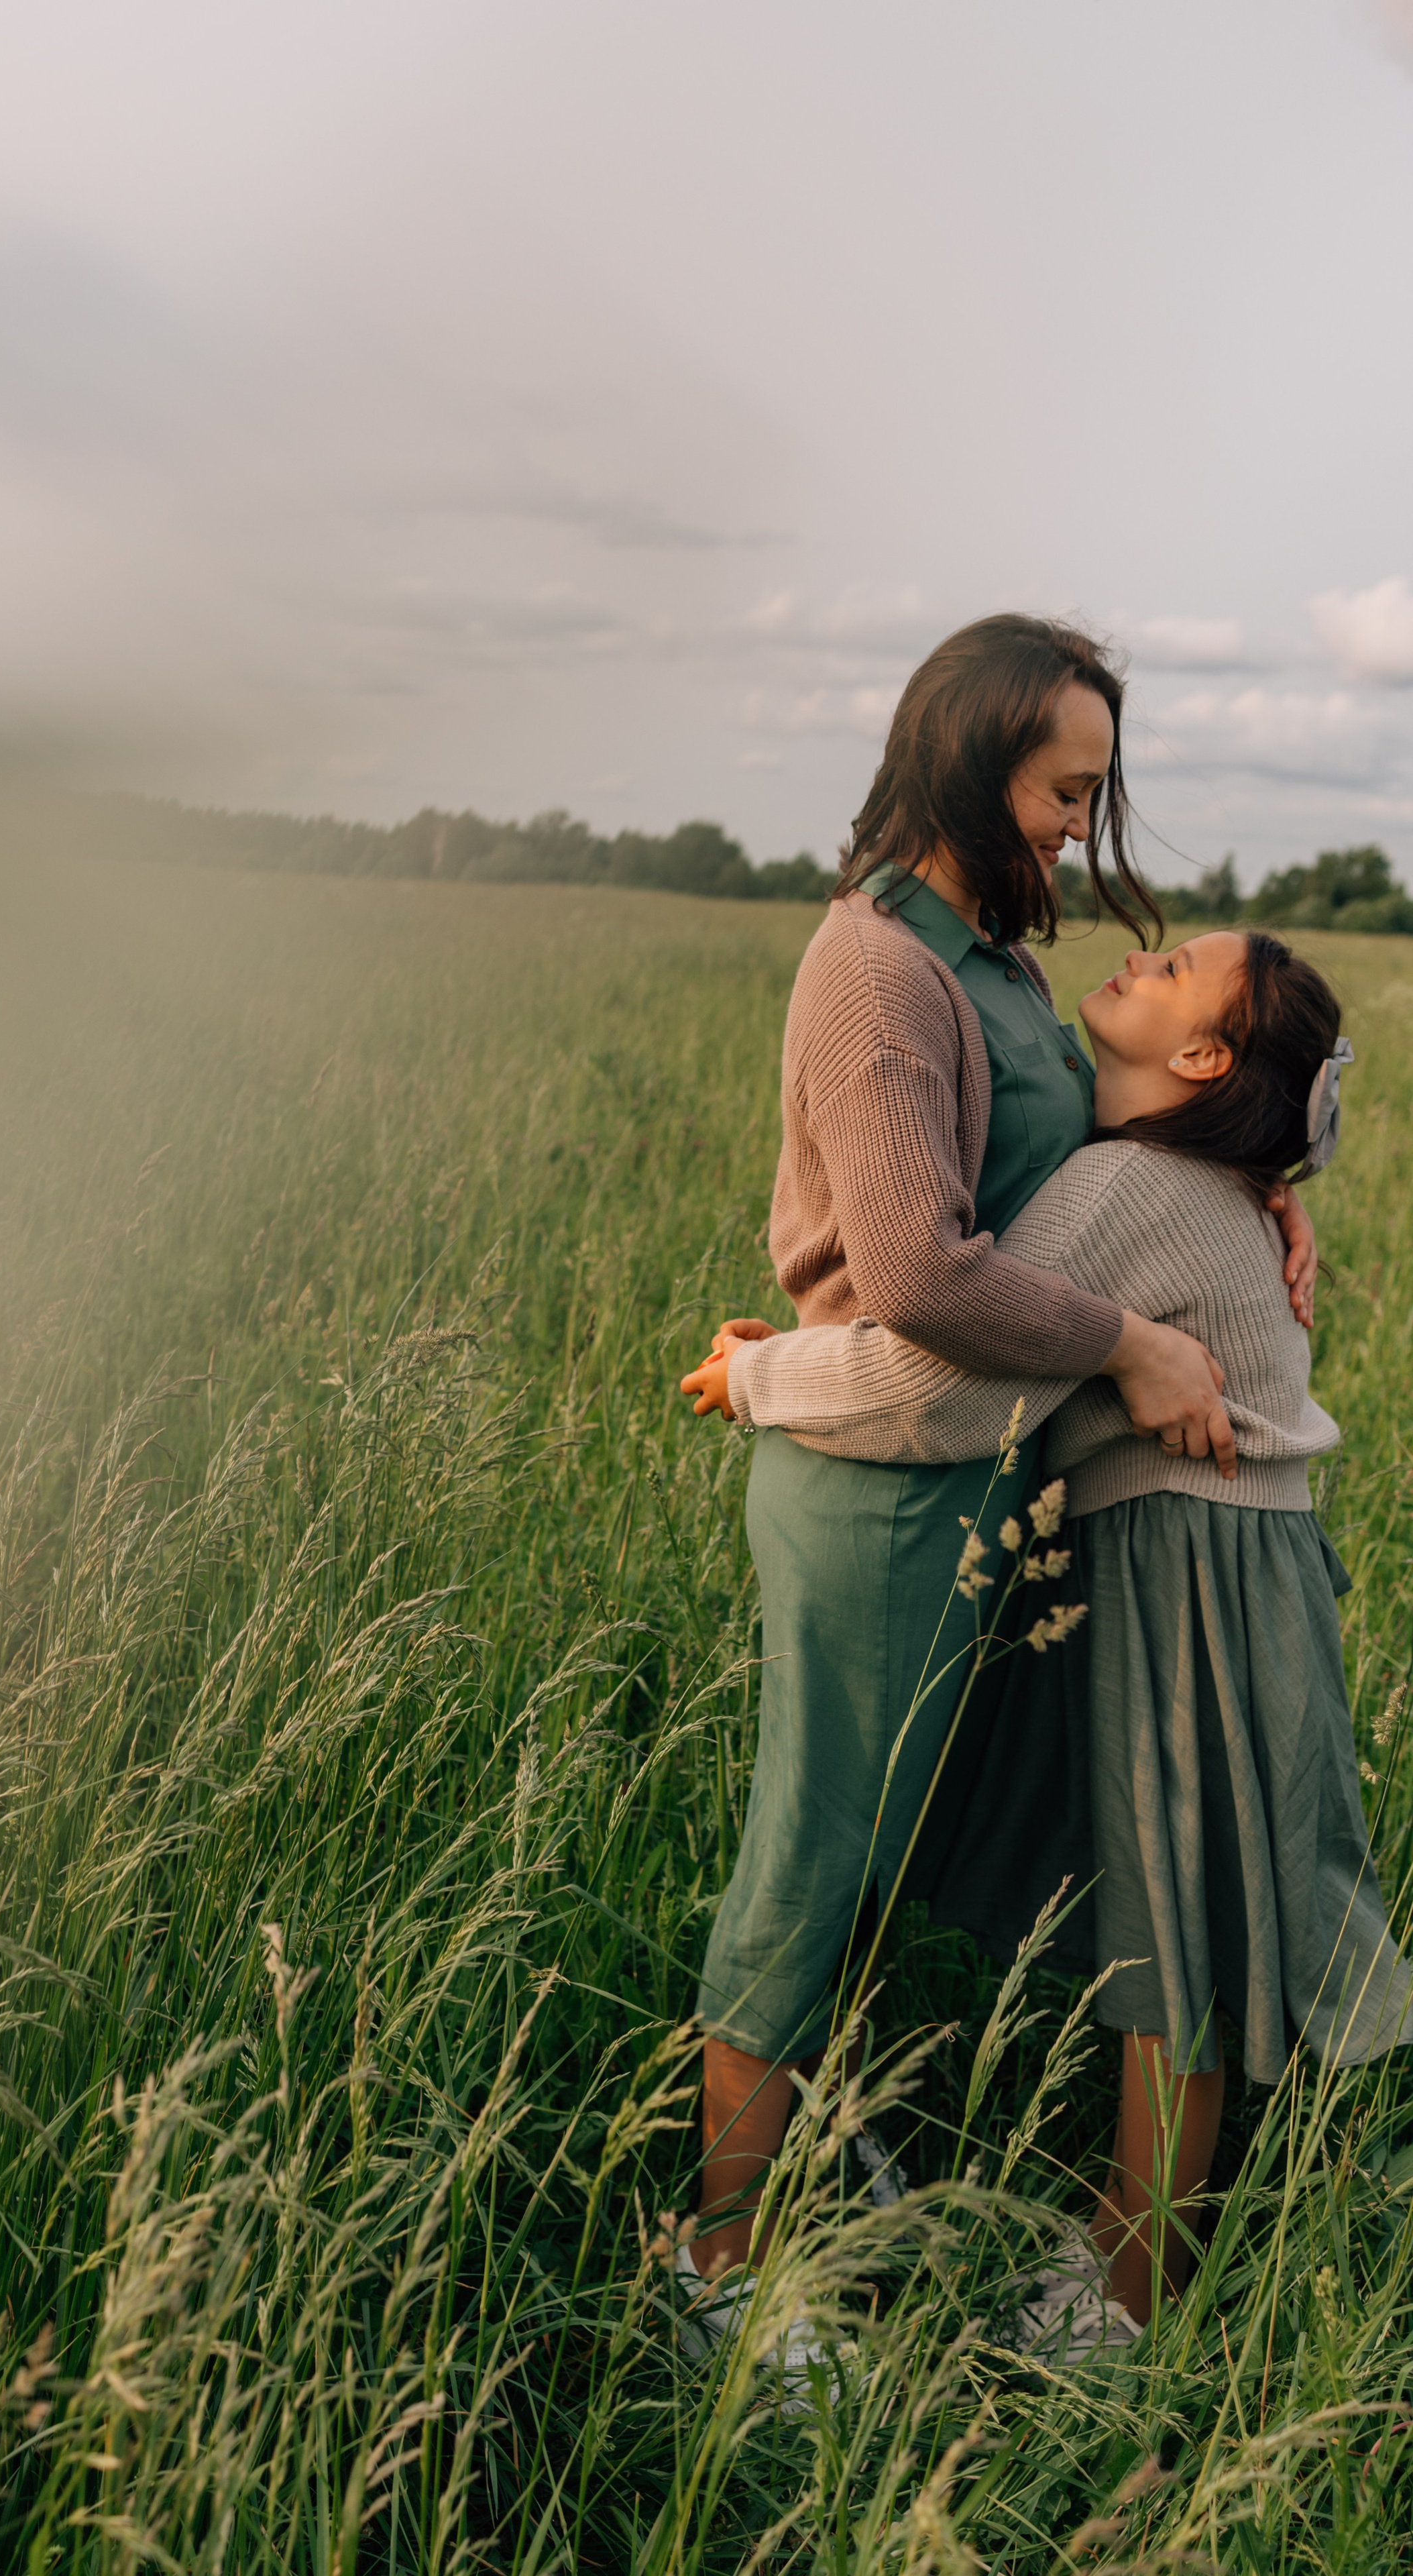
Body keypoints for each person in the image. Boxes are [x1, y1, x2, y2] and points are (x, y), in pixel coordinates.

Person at [669, 613, 1316, 2321]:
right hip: (882, 1476)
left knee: (904, 1859)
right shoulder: (873, 968)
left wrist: (1253, 1181)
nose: (1079, 829)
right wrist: (1131, 1345)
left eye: (1092, 793)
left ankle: (860, 2181)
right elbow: (920, 1274)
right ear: (971, 761)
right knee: (812, 1861)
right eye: (1061, 788)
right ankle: (719, 2267)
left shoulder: (996, 964)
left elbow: (1080, 1165)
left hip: (976, 1478)